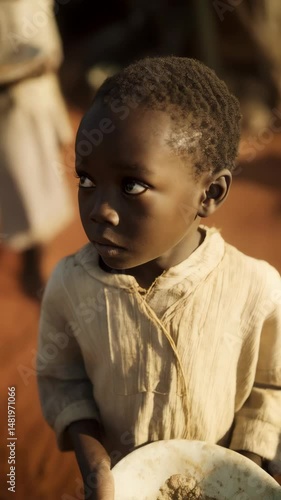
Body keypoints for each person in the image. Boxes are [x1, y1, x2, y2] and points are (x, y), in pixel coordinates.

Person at [37, 57, 281, 499]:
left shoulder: (255, 289)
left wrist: (245, 466)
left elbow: (271, 385)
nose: (99, 210)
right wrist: (94, 462)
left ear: (210, 193)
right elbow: (61, 378)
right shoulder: (71, 286)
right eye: (87, 180)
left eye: (131, 186)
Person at [0, 0, 73, 298]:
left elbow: (48, 58)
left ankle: (32, 264)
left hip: (32, 105)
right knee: (12, 184)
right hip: (9, 111)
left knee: (36, 187)